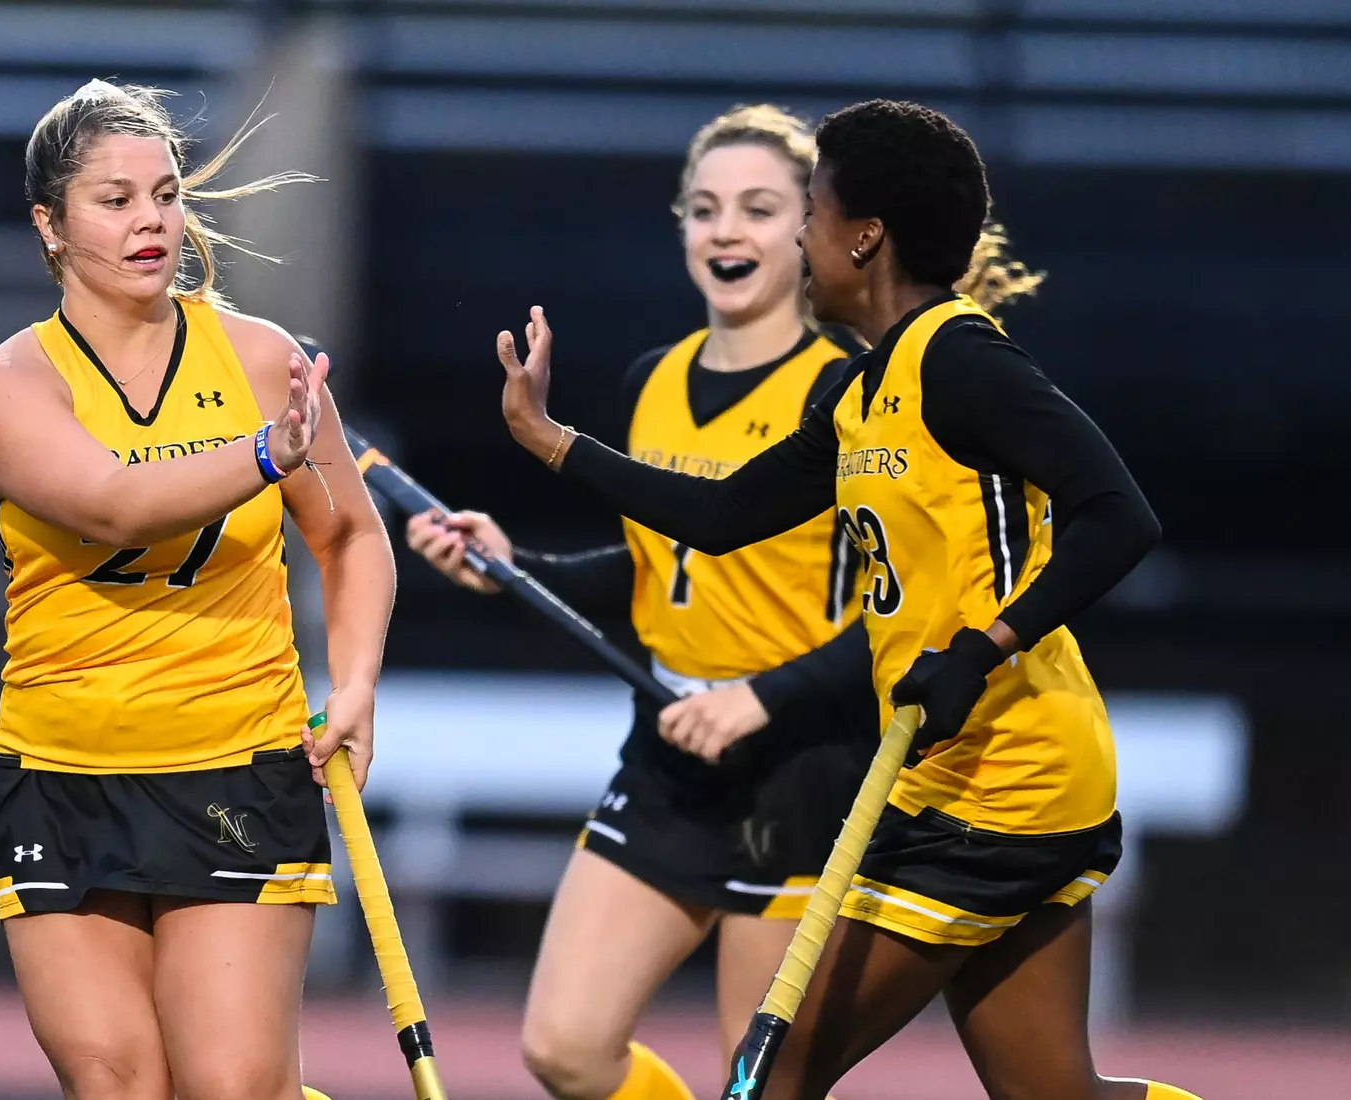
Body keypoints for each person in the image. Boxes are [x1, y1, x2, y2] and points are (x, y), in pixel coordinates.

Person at [493, 99, 1202, 1100]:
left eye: (808, 212)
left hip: (1006, 783)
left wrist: (979, 647)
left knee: (768, 1077)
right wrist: (555, 443)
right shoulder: (862, 390)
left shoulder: (962, 360)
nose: (794, 236)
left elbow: (1119, 516)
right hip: (946, 772)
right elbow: (725, 513)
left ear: (863, 236)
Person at [407, 105, 1043, 1100]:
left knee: (764, 1086)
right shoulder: (650, 378)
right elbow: (658, 567)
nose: (726, 232)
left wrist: (764, 694)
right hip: (667, 754)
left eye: (758, 208)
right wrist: (513, 561)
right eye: (704, 210)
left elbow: (909, 606)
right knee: (565, 1047)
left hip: (803, 768)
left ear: (816, 228)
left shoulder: (856, 390)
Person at [0, 80, 394, 1100]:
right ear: (50, 225)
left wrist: (359, 681)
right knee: (117, 1081)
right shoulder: (7, 385)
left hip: (237, 764)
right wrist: (261, 454)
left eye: (164, 194)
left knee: (233, 1086)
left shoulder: (260, 359)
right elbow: (111, 507)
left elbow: (351, 537)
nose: (151, 219)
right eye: (114, 200)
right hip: (59, 773)